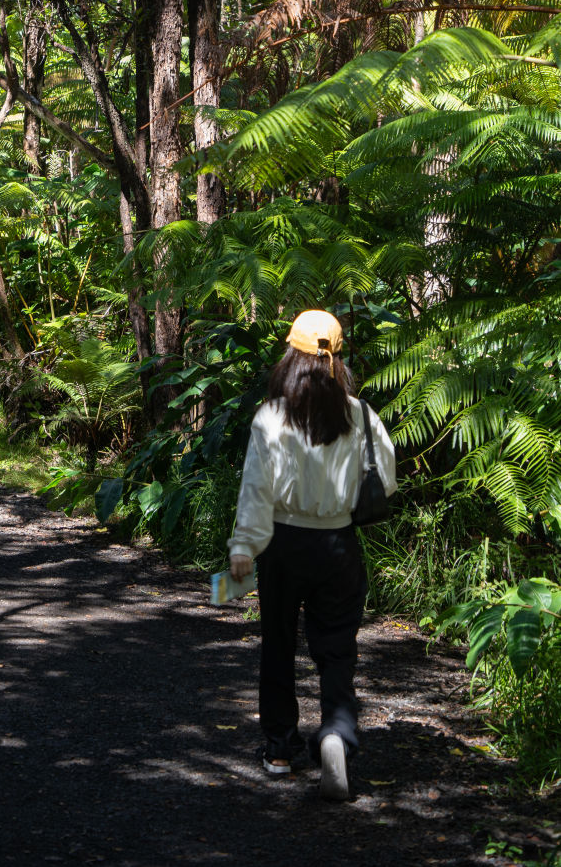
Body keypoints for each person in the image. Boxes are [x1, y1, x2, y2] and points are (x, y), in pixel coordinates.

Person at [228, 309, 396, 802]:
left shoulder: (271, 416)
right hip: (339, 545)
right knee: (337, 650)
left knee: (278, 644)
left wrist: (244, 546)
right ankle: (337, 736)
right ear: (336, 358)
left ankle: (281, 749)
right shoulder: (360, 414)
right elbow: (385, 479)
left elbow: (256, 491)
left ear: (291, 357)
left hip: (283, 544)